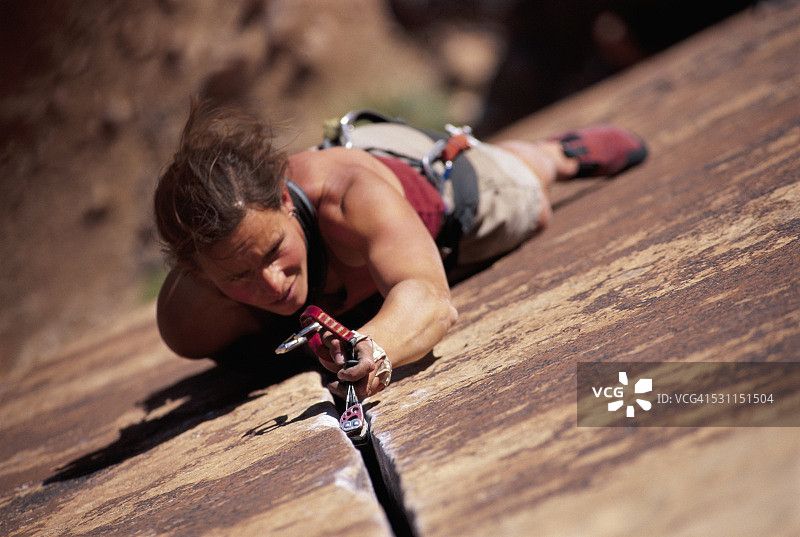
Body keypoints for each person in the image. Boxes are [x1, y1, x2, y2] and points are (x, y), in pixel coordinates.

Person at [154, 102, 646, 400]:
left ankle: (554, 154)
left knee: (529, 200)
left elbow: (430, 298)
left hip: (444, 192)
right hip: (354, 272)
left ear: (284, 199)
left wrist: (374, 347)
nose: (272, 284)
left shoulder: (347, 195)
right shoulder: (190, 314)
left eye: (273, 252)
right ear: (195, 271)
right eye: (237, 277)